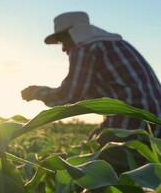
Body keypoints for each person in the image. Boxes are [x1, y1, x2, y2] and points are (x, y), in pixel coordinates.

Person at [21, 11, 161, 138]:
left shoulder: (84, 48)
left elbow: (69, 96)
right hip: (155, 123)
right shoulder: (115, 44)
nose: (63, 48)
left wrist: (36, 92)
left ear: (72, 34)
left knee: (90, 161)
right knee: (91, 144)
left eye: (62, 41)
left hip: (132, 124)